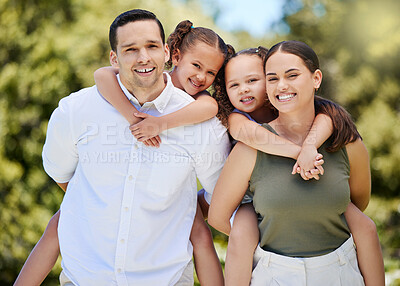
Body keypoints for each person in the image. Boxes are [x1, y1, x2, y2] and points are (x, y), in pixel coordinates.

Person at [14, 18, 230, 286]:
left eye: (151, 46)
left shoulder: (201, 115)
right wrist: (99, 205)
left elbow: (221, 190)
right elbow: (102, 76)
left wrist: (184, 209)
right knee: (58, 222)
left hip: (165, 278)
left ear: (164, 52)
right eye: (130, 49)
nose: (201, 78)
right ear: (115, 57)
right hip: (85, 278)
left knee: (200, 233)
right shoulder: (82, 107)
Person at [208, 41, 385, 286]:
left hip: (340, 272)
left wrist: (310, 151)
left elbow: (359, 203)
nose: (282, 85)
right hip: (275, 273)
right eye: (273, 78)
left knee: (366, 227)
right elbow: (218, 216)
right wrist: (260, 233)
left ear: (316, 78)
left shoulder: (345, 140)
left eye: (292, 75)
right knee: (241, 226)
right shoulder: (248, 143)